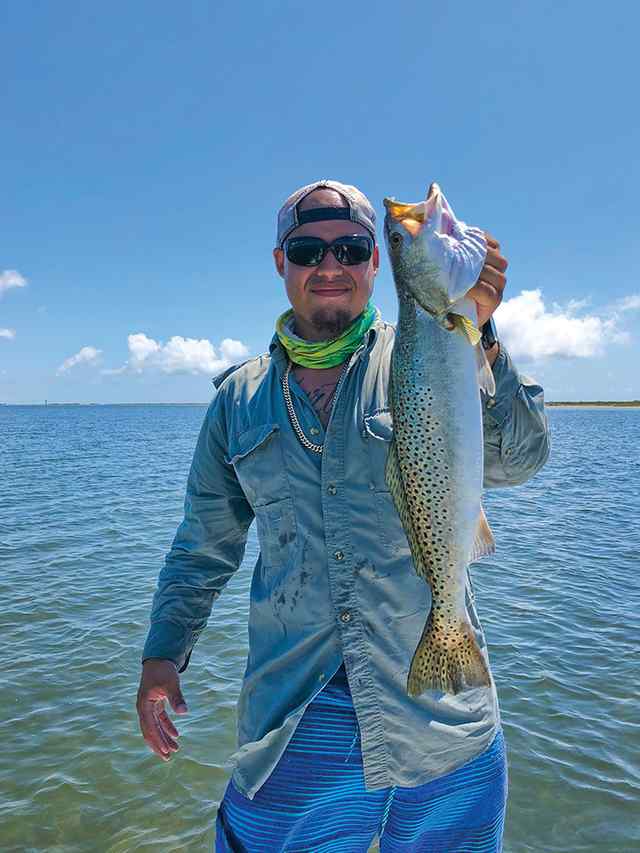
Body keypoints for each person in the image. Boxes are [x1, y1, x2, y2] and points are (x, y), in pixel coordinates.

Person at [136, 179, 550, 851]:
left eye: (351, 248)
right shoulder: (236, 404)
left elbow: (523, 456)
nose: (328, 267)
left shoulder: (431, 348)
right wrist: (163, 655)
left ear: (375, 266)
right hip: (291, 729)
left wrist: (485, 331)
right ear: (281, 264)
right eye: (306, 250)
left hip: (446, 727)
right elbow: (201, 547)